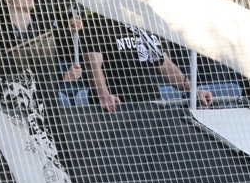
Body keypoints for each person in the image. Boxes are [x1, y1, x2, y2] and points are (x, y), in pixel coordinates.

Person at [83, 16, 212, 112]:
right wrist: (104, 95)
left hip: (151, 108)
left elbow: (165, 64)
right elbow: (92, 62)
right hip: (115, 108)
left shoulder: (148, 22)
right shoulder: (98, 21)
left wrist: (193, 89)